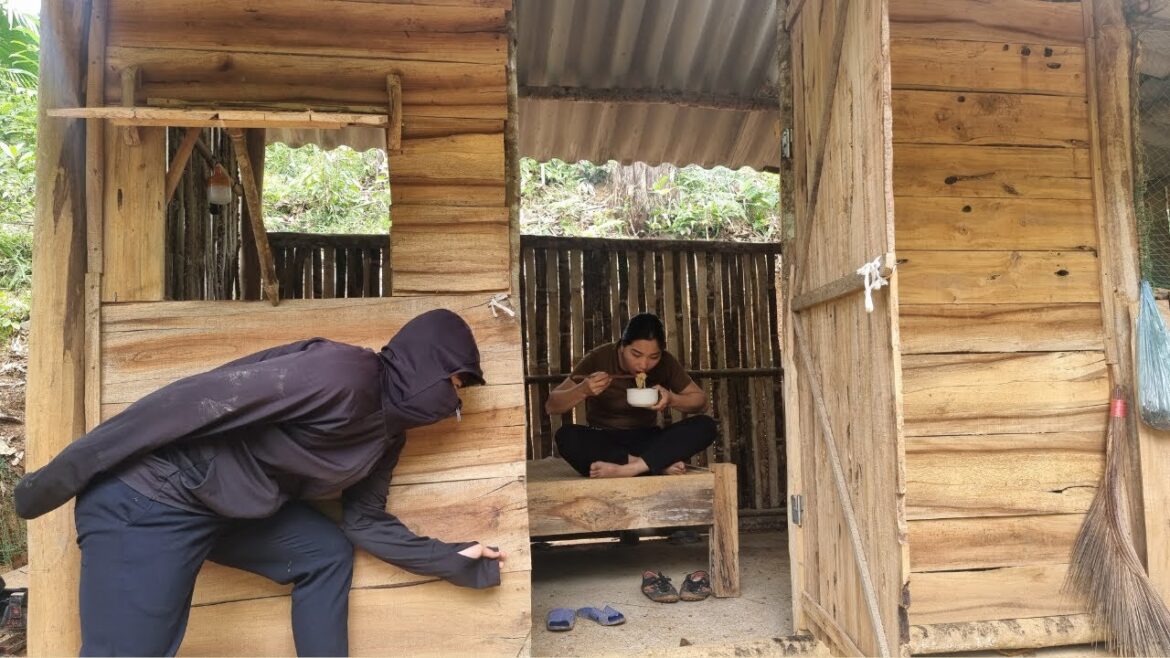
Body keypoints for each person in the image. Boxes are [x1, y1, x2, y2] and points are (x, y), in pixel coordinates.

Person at [14, 309, 507, 657]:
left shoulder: (387, 437)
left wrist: (450, 558)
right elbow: (186, 404)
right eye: (455, 381)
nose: (455, 400)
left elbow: (365, 521)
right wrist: (54, 482)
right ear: (426, 363)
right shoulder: (343, 373)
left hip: (227, 510)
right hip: (150, 499)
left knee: (324, 553)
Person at [544, 312, 717, 478]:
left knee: (706, 425)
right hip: (604, 441)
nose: (644, 364)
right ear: (622, 347)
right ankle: (654, 464)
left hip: (648, 439)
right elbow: (551, 405)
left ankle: (632, 468)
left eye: (654, 357)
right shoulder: (598, 358)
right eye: (636, 354)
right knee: (566, 437)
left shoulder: (666, 362)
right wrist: (582, 390)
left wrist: (672, 399)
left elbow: (701, 402)